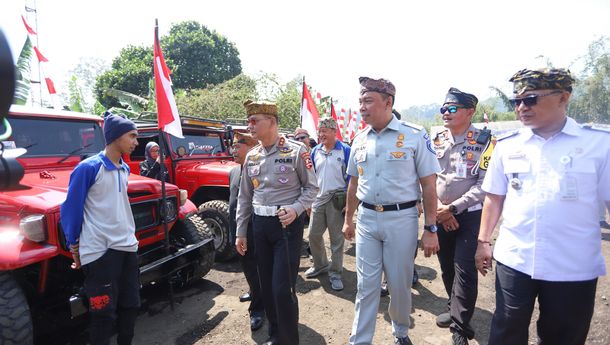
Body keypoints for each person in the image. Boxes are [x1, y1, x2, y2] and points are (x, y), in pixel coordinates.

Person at [475, 68, 610, 345]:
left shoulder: (599, 144)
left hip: (573, 264)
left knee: (563, 336)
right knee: (506, 330)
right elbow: (494, 197)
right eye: (517, 101)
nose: (522, 108)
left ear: (563, 97)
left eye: (531, 99)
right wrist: (483, 241)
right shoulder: (507, 145)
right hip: (516, 258)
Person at [343, 77, 441, 345]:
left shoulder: (413, 134)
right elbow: (353, 182)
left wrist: (431, 229)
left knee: (399, 285)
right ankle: (360, 340)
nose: (362, 107)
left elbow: (429, 185)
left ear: (388, 102)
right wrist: (348, 219)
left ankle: (400, 331)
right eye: (360, 101)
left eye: (368, 101)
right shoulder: (359, 139)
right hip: (367, 219)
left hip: (402, 219)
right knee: (366, 286)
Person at [235, 100, 318, 345]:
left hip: (286, 228)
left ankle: (289, 340)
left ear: (271, 122)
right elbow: (244, 197)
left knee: (282, 289)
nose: (249, 126)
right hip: (260, 227)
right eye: (248, 121)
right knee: (267, 286)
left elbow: (312, 188)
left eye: (254, 121)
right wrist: (241, 232)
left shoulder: (296, 151)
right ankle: (275, 335)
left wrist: (295, 208)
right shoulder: (252, 155)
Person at [60, 112, 140, 345]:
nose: (136, 142)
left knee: (131, 305)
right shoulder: (88, 168)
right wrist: (74, 243)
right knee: (103, 314)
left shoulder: (124, 169)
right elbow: (71, 208)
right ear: (115, 137)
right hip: (99, 252)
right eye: (132, 136)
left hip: (127, 247)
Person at [433, 88, 493, 345]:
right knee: (447, 268)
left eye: (452, 108)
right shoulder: (435, 138)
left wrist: (453, 209)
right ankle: (453, 305)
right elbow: (426, 177)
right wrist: (438, 208)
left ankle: (460, 327)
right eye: (443, 108)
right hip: (439, 215)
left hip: (468, 216)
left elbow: (484, 184)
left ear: (470, 112)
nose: (446, 112)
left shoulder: (485, 140)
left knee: (464, 271)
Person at [305, 117, 351, 291]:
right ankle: (321, 264)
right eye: (319, 131)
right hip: (318, 199)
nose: (321, 134)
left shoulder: (345, 150)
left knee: (336, 239)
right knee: (313, 235)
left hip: (337, 201)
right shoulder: (315, 151)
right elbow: (310, 177)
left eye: (325, 131)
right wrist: (308, 201)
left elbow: (353, 179)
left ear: (334, 132)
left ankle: (336, 273)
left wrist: (349, 203)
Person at [229, 132, 265, 331]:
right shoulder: (233, 172)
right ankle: (254, 291)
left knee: (256, 268)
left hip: (255, 229)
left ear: (251, 148)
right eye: (233, 146)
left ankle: (258, 308)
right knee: (247, 266)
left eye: (237, 146)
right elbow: (234, 203)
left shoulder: (258, 171)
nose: (233, 150)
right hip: (239, 229)